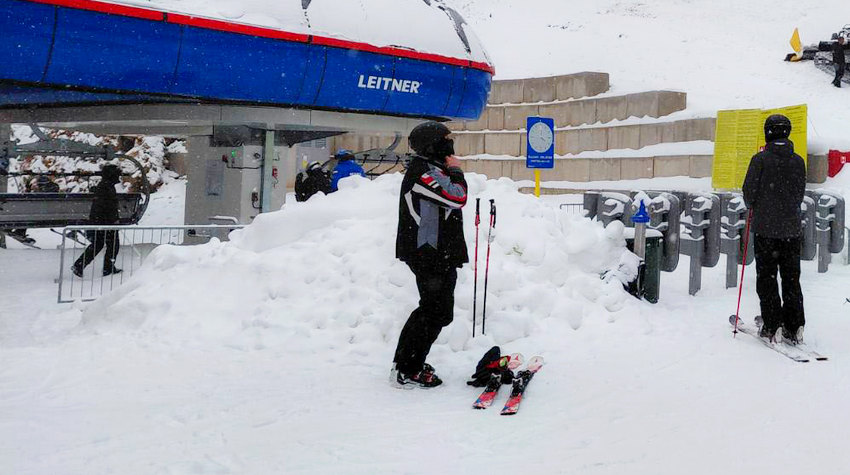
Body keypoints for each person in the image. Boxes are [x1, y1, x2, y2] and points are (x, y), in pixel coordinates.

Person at [391, 121, 468, 388]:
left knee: (437, 311)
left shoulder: (433, 168)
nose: (451, 144)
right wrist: (456, 171)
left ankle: (407, 363)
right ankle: (407, 367)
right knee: (435, 311)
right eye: (446, 139)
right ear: (433, 143)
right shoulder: (422, 171)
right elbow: (456, 196)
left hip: (439, 253)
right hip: (428, 253)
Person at [742, 114, 807, 344]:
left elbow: (749, 194)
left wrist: (758, 204)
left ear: (768, 132)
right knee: (791, 278)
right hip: (791, 230)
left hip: (766, 230)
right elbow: (799, 194)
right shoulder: (799, 161)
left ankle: (772, 324)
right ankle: (795, 323)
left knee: (767, 278)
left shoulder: (760, 160)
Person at [72, 164, 123, 277]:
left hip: (100, 220)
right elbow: (108, 206)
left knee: (99, 245)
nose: (119, 177)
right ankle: (107, 268)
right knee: (112, 245)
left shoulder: (105, 186)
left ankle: (80, 265)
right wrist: (114, 219)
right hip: (105, 222)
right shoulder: (107, 188)